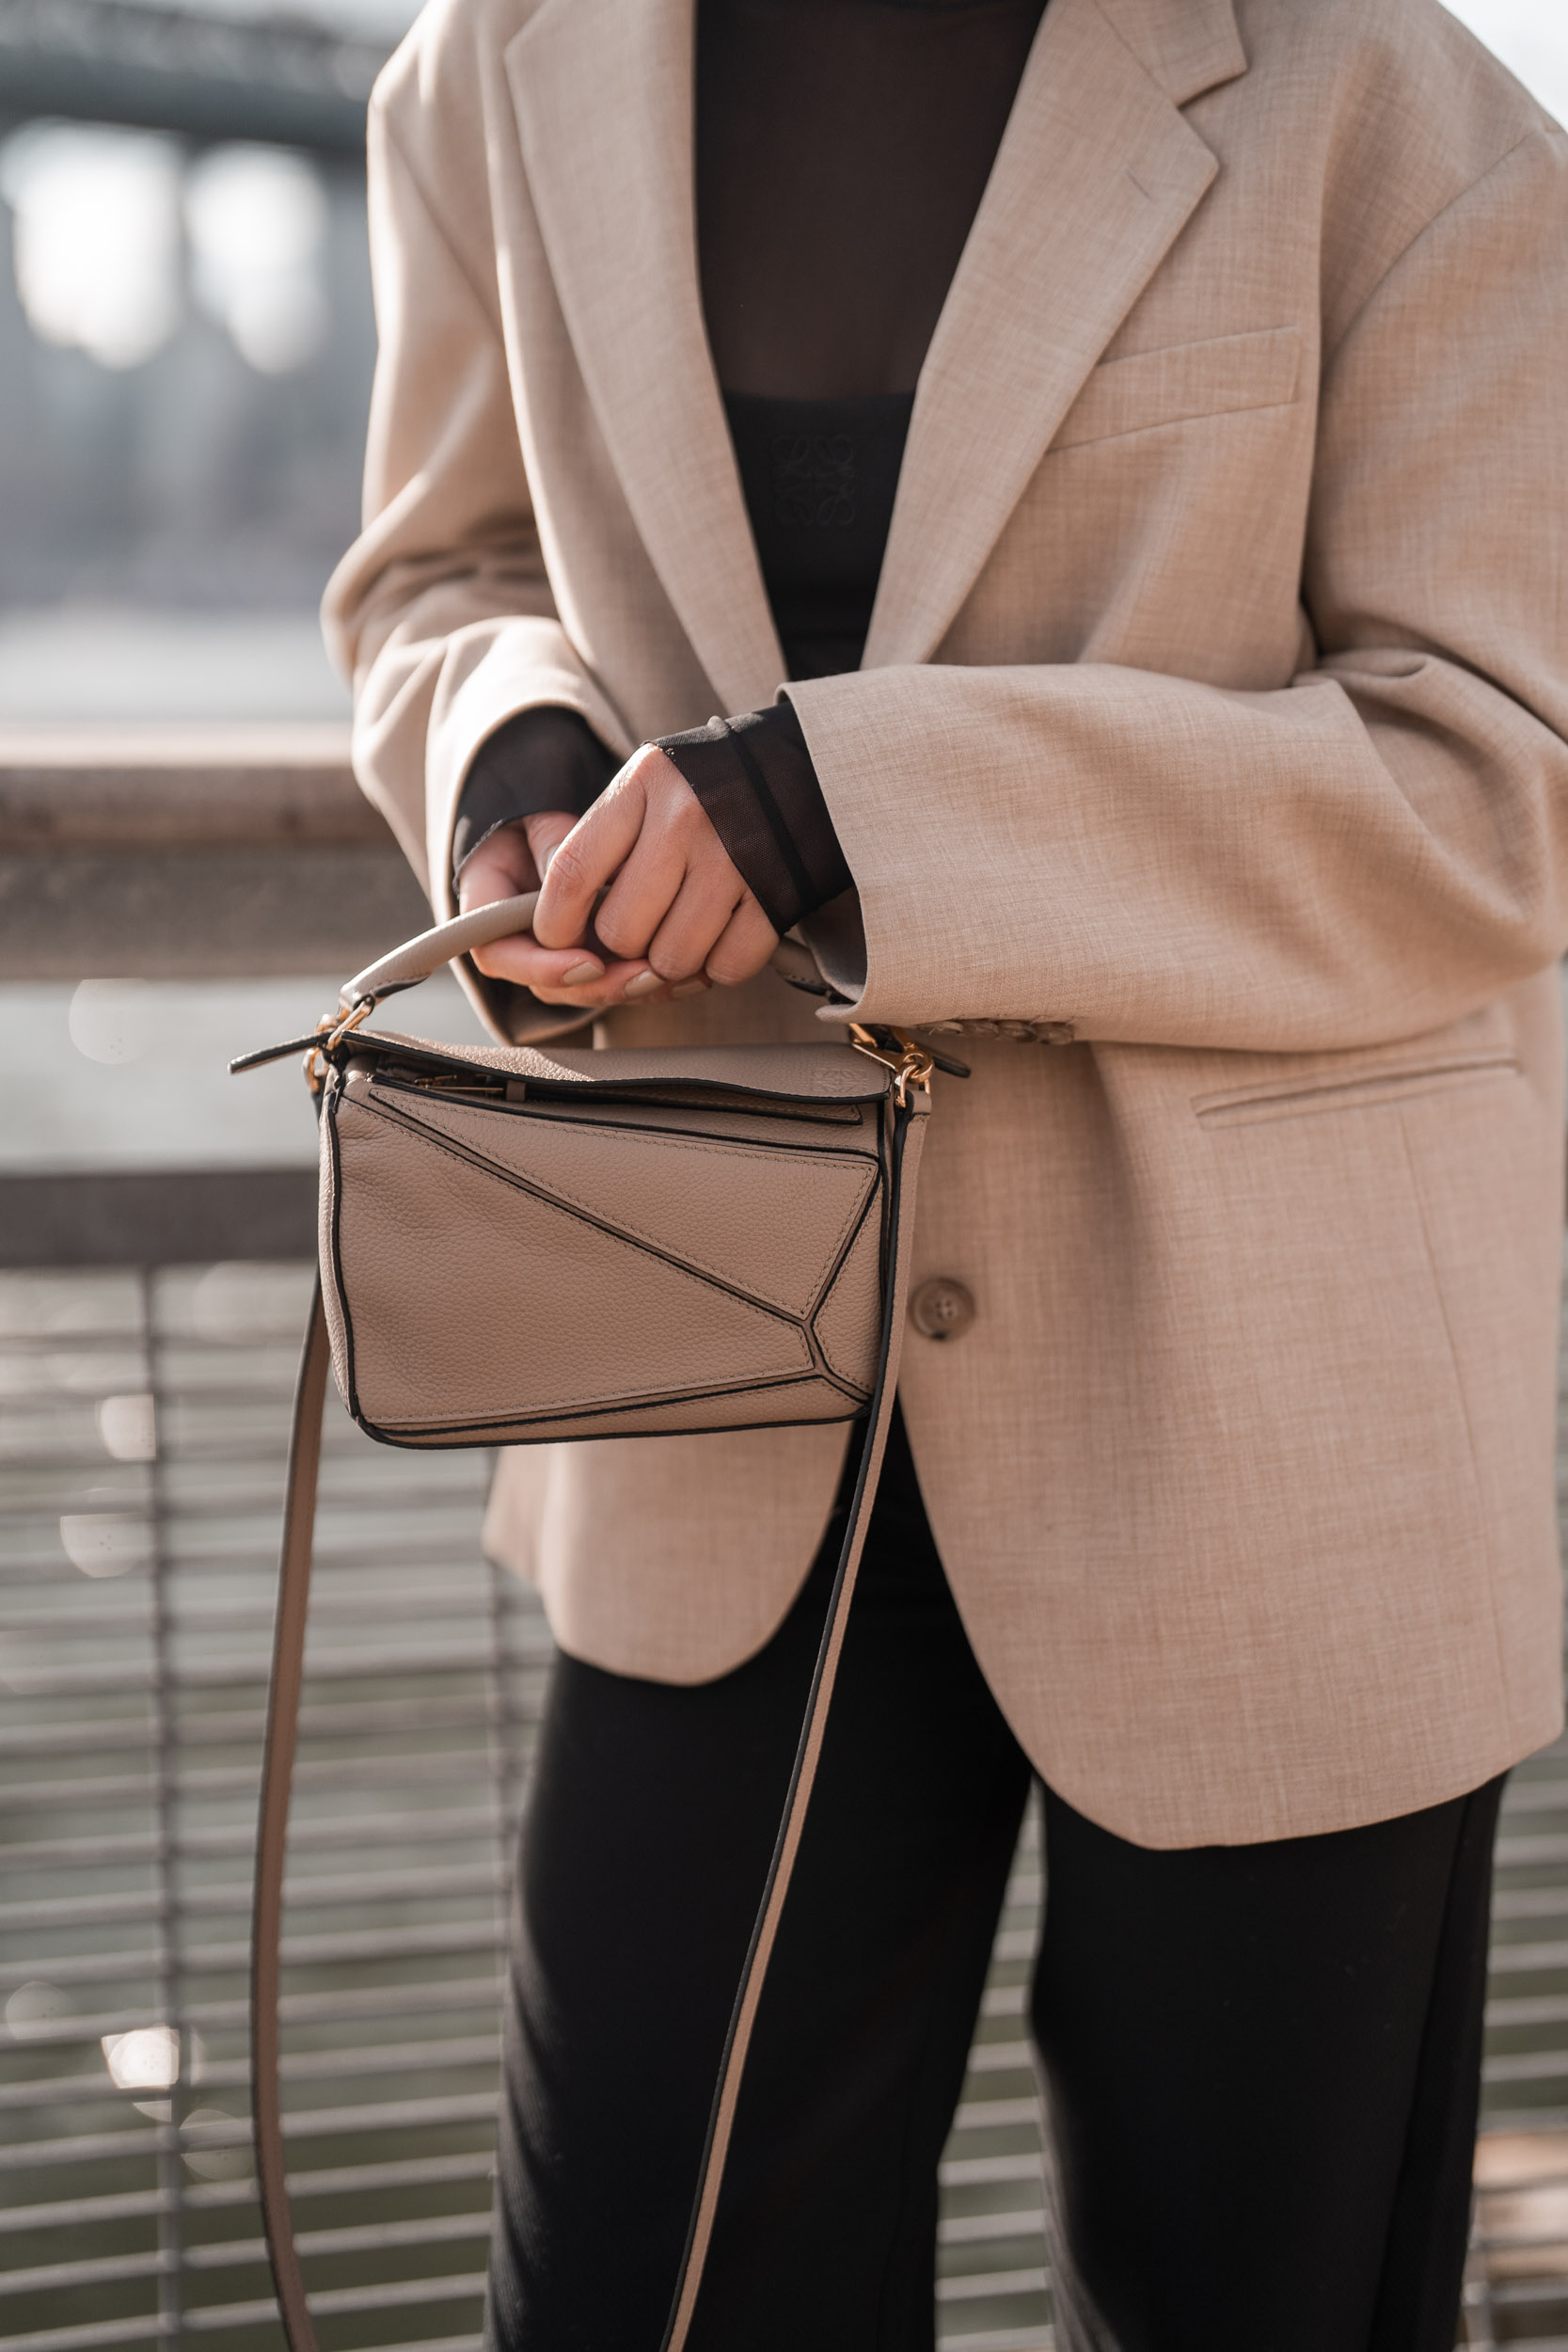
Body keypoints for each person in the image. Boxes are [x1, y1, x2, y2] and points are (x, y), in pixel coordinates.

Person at [323, 0, 1568, 2341]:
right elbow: (437, 568)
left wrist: (845, 801)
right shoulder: (498, 63)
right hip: (717, 1377)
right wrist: (515, 749)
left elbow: (1500, 778)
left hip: (1282, 1415)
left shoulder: (1389, 90)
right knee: (642, 2291)